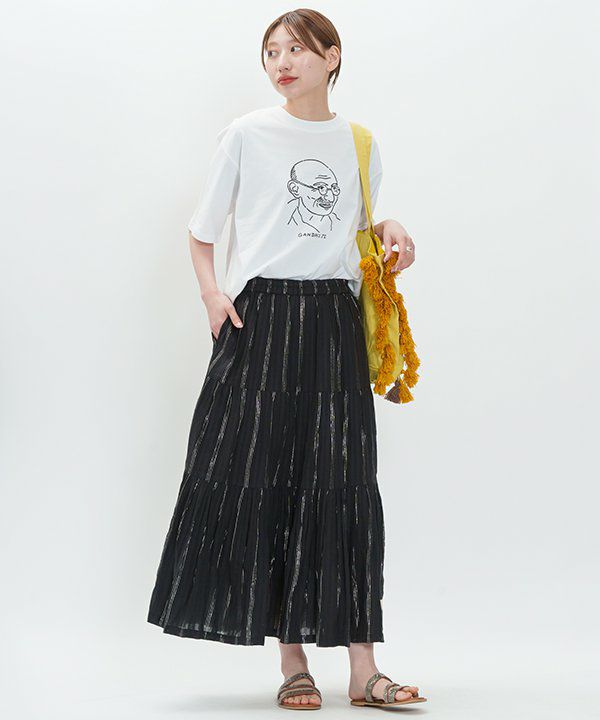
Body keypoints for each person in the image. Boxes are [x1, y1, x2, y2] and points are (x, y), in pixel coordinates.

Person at [147, 8, 426, 711]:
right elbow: (202, 231)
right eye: (272, 51)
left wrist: (388, 226)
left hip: (333, 320)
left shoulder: (360, 142)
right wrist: (213, 295)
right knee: (266, 479)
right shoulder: (246, 134)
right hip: (263, 318)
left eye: (296, 49)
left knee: (346, 484)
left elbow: (351, 232)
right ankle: (293, 663)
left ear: (332, 57)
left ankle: (364, 671)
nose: (281, 62)